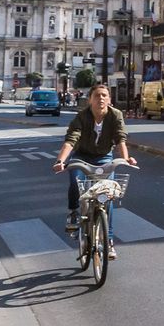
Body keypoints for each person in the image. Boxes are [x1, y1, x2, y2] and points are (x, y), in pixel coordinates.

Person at [53, 84, 136, 244]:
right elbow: (71, 140)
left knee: (107, 196)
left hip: (104, 157)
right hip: (82, 156)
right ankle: (74, 212)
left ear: (109, 99)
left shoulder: (115, 115)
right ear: (90, 100)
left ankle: (109, 241)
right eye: (97, 95)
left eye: (104, 95)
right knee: (76, 181)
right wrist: (60, 161)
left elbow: (120, 138)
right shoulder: (82, 117)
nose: (101, 98)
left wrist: (126, 158)